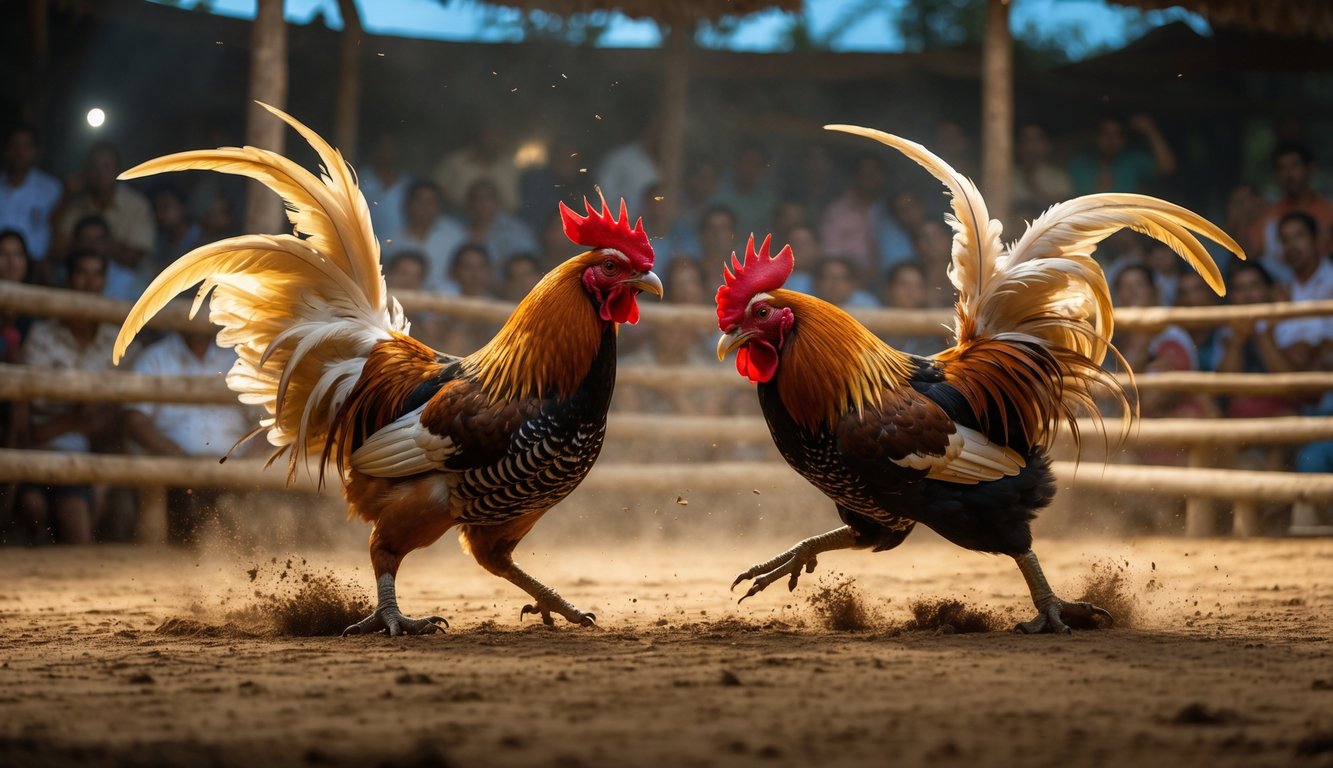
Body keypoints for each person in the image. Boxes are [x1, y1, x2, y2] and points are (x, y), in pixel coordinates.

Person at [18, 251, 123, 544]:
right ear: (68, 278)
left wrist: (85, 418)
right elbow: (26, 412)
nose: (88, 282)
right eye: (81, 273)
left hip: (86, 453)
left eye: (96, 274)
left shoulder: (117, 338)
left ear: (104, 280)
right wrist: (75, 419)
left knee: (75, 510)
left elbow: (114, 414)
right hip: (40, 449)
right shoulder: (42, 335)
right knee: (36, 507)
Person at [125, 327, 255, 545]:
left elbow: (266, 421)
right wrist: (180, 457)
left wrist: (245, 464)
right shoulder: (155, 358)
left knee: (242, 517)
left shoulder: (238, 358)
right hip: (176, 466)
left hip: (237, 467)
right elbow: (135, 421)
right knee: (188, 515)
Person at [52, 141, 156, 289]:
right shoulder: (75, 205)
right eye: (94, 167)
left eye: (106, 166)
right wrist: (66, 197)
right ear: (86, 172)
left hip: (127, 285)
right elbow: (58, 251)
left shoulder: (137, 205)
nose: (100, 173)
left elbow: (135, 258)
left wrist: (94, 244)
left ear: (118, 171)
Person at [1252, 143, 1333, 264]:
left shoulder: (1328, 211)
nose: (1288, 174)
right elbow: (1256, 254)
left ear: (1310, 169)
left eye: (1294, 166)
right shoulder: (1270, 216)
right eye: (1281, 168)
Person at [1272, 212, 1333, 373]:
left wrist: (1289, 317)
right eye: (1285, 240)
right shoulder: (1282, 289)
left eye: (1298, 236)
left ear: (1316, 240)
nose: (1292, 246)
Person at [381, 180, 466, 292]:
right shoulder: (392, 240)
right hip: (404, 303)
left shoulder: (456, 235)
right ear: (408, 204)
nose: (425, 207)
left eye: (430, 202)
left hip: (447, 302)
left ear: (439, 206)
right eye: (420, 201)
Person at [0, 125, 61, 270]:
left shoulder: (51, 189)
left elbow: (57, 231)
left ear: (37, 151)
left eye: (26, 146)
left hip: (35, 269)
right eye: (15, 145)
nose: (20, 152)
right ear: (5, 149)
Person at [1069, 115, 1176, 196]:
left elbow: (1167, 169)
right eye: (1105, 133)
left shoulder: (1132, 160)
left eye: (1117, 135)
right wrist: (1101, 190)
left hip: (1128, 221)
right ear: (1096, 136)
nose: (1110, 140)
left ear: (1124, 140)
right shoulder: (1079, 164)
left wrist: (1150, 130)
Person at [433, 117, 521, 212]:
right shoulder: (454, 163)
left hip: (503, 221)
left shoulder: (511, 167)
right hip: (458, 220)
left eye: (498, 136)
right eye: (489, 135)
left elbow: (515, 203)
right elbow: (435, 193)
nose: (493, 140)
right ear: (478, 137)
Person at [820, 153, 885, 274]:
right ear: (855, 176)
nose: (870, 177)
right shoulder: (837, 211)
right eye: (864, 173)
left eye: (874, 172)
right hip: (849, 281)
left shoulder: (890, 210)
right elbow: (831, 255)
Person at [518, 137, 593, 234]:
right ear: (552, 159)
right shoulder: (536, 181)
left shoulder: (584, 184)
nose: (566, 164)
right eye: (562, 158)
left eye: (571, 160)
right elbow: (532, 217)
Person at [461, 178, 538, 269]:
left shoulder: (517, 230)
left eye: (488, 198)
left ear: (498, 201)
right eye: (477, 198)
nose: (482, 203)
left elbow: (529, 263)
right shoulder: (459, 230)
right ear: (469, 204)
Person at [596, 113, 661, 212]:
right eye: (658, 129)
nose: (661, 134)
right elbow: (604, 198)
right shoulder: (619, 160)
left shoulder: (674, 167)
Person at [715, 140, 777, 240]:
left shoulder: (769, 201)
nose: (750, 168)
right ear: (736, 163)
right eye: (747, 162)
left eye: (756, 164)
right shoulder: (718, 192)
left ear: (763, 169)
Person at [360, 132, 411, 242]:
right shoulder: (360, 179)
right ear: (373, 150)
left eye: (390, 148)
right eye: (382, 148)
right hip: (369, 244)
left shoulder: (407, 182)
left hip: (401, 245)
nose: (386, 153)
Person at [880, 262, 937, 356]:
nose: (911, 291)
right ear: (889, 289)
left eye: (918, 286)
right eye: (904, 284)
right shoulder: (873, 330)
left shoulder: (933, 335)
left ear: (925, 293)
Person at [1012, 123, 1073, 211]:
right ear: (1018, 146)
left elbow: (1065, 209)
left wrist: (1033, 186)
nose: (1032, 146)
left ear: (1047, 145)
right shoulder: (1007, 177)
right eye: (1027, 140)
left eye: (1038, 139)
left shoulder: (1059, 178)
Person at [148, 183, 201, 275]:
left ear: (183, 207)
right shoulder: (160, 240)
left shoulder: (201, 236)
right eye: (157, 209)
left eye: (165, 207)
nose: (160, 214)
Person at [813, 256, 878, 309]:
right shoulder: (808, 303)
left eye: (840, 278)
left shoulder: (866, 304)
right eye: (827, 277)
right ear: (817, 283)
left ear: (853, 283)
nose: (834, 284)